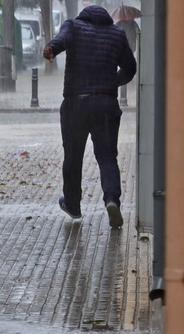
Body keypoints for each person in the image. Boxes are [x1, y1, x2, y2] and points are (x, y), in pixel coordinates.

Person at [43, 3, 136, 227]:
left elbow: (61, 40)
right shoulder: (117, 34)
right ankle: (112, 200)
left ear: (84, 15)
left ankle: (73, 205)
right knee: (106, 157)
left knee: (73, 156)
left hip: (76, 102)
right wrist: (112, 82)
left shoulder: (74, 26)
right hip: (105, 104)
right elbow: (130, 68)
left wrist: (51, 49)